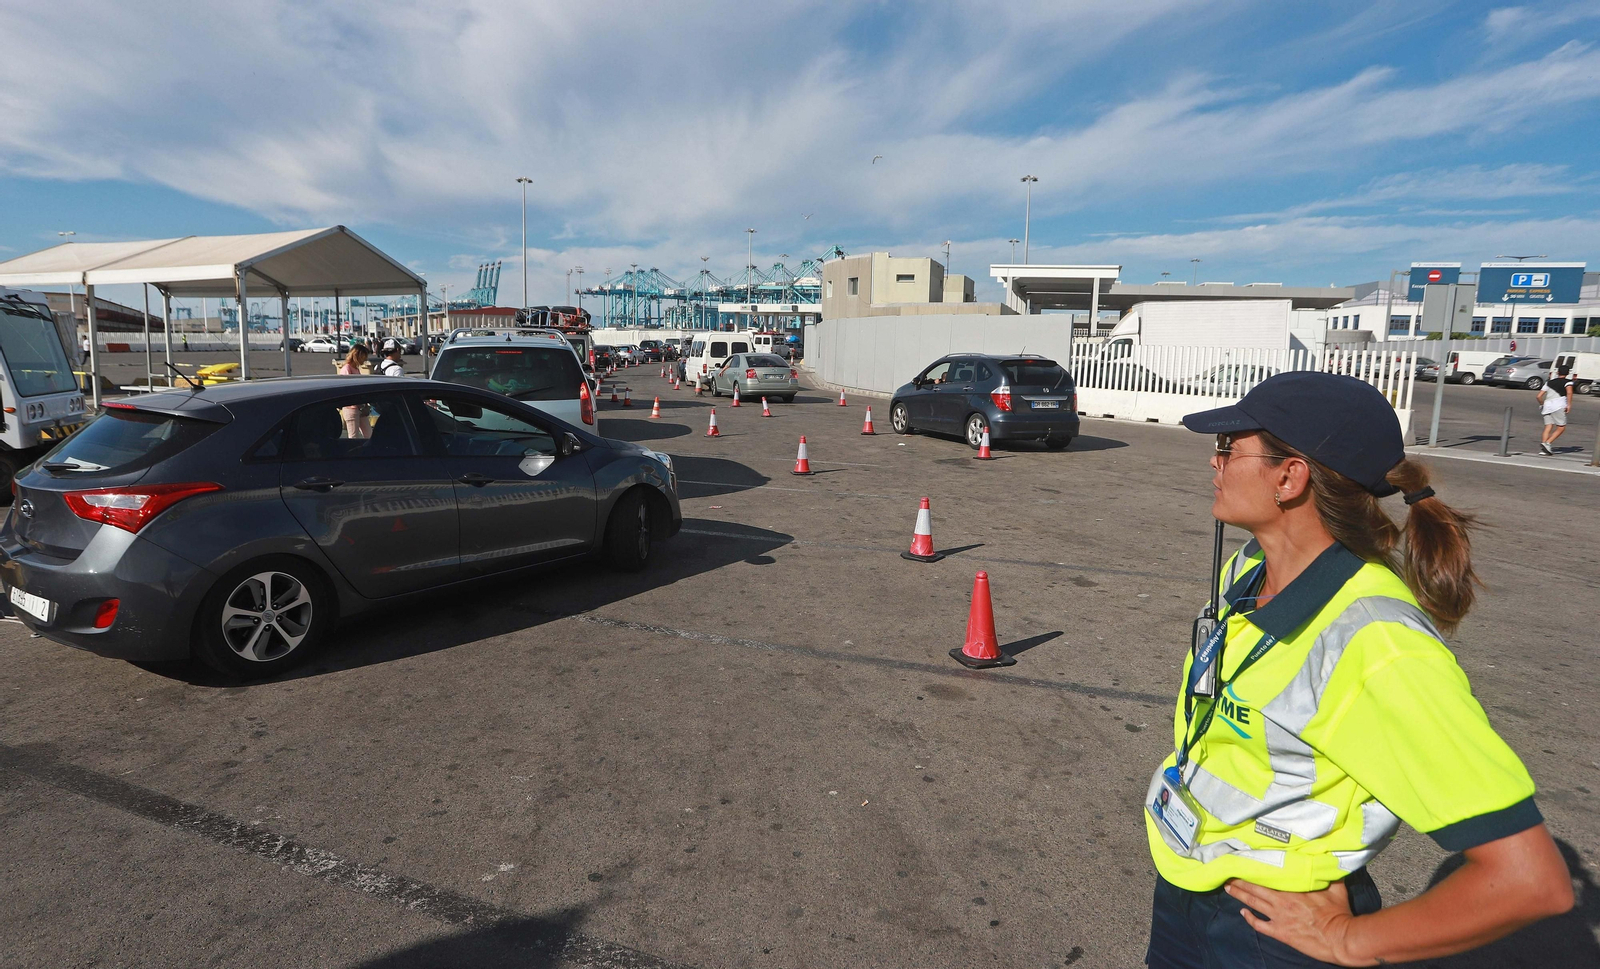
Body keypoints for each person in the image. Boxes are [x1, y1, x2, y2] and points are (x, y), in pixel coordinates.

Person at [1145, 372, 1572, 968]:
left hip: (1271, 933)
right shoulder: (1248, 568)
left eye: (1228, 448)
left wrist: (1348, 941)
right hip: (1189, 883)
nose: (1214, 463)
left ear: (1289, 477)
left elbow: (1529, 879)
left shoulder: (1378, 641)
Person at [335, 344, 371, 439]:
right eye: (363, 357)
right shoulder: (347, 369)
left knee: (369, 434)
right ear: (357, 355)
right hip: (351, 407)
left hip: (360, 407)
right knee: (353, 436)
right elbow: (348, 389)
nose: (364, 360)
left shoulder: (356, 369)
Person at [1538, 366, 1573, 455]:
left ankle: (1544, 449)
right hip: (1558, 405)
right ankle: (1547, 443)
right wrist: (1569, 404)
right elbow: (1569, 392)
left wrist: (1542, 404)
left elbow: (1538, 396)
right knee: (1561, 427)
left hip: (1547, 406)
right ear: (1568, 373)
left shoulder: (1549, 382)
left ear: (1558, 372)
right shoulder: (1568, 382)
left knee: (1548, 426)